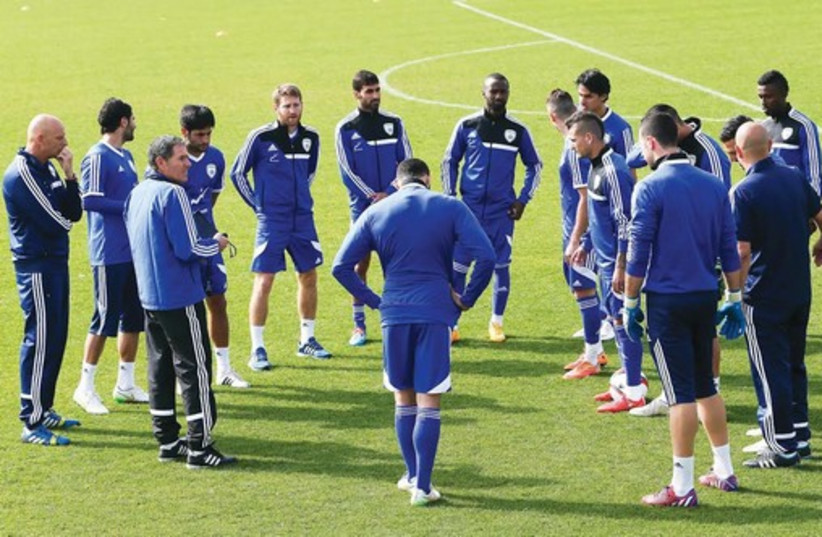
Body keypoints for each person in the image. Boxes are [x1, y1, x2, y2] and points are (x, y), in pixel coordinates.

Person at [331, 158, 495, 506]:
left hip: (394, 314)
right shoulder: (450, 206)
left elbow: (341, 267)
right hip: (435, 311)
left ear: (397, 181)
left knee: (403, 398)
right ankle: (423, 485)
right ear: (428, 178)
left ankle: (410, 475)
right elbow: (487, 257)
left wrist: (376, 301)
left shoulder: (376, 212)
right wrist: (466, 300)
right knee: (429, 399)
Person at [624, 111, 744, 507]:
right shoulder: (713, 185)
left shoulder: (650, 188)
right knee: (707, 386)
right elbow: (729, 244)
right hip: (704, 296)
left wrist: (628, 301)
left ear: (652, 144)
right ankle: (724, 470)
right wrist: (734, 298)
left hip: (667, 302)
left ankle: (682, 486)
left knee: (680, 396)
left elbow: (638, 251)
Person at [124, 135, 236, 469]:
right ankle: (200, 447)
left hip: (150, 296)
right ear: (161, 163)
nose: (188, 164)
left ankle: (168, 441)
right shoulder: (174, 194)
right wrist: (216, 243)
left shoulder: (137, 193)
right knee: (195, 368)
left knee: (159, 368)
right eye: (181, 159)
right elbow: (188, 248)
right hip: (179, 296)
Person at [624, 104, 732, 418]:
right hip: (684, 256)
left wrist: (631, 301)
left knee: (705, 334)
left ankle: (708, 387)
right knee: (692, 334)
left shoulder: (707, 153)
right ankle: (686, 394)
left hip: (700, 253)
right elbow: (634, 157)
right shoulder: (667, 153)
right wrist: (650, 144)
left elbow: (720, 204)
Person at [731, 122, 820, 467]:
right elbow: (819, 214)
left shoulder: (744, 192)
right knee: (795, 363)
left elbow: (741, 251)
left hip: (763, 293)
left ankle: (781, 446)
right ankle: (800, 434)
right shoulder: (794, 176)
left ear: (739, 153)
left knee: (770, 370)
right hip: (799, 289)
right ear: (770, 145)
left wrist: (732, 293)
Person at [231, 83, 331, 369]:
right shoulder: (260, 138)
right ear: (276, 108)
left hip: (302, 219)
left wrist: (299, 199)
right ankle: (257, 348)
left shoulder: (311, 137)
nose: (293, 111)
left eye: (297, 105)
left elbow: (309, 173)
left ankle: (307, 340)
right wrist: (258, 205)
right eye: (287, 106)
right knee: (264, 281)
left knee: (309, 275)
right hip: (272, 220)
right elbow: (237, 173)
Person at [442, 72, 542, 343]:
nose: (498, 97)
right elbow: (450, 160)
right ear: (483, 93)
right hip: (469, 210)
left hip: (501, 211)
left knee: (500, 265)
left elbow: (535, 165)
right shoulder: (467, 126)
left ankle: (496, 322)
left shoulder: (517, 131)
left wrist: (523, 199)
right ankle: (452, 323)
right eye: (493, 92)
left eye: (503, 92)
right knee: (459, 265)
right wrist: (450, 196)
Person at [3, 114, 82, 445]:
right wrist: (64, 209)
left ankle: (44, 406)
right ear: (38, 139)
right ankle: (31, 421)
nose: (64, 143)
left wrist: (68, 175)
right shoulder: (19, 175)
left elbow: (73, 213)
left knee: (56, 336)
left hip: (55, 263)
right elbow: (59, 223)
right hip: (36, 267)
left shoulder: (47, 167)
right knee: (39, 339)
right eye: (59, 138)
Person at [564, 112, 645, 412]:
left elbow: (626, 223)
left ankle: (634, 391)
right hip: (606, 259)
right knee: (615, 319)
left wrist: (622, 267)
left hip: (617, 263)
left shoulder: (613, 170)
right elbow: (602, 217)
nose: (570, 145)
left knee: (623, 322)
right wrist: (585, 243)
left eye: (573, 139)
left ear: (588, 138)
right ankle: (629, 380)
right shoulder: (595, 166)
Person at [72, 98, 148, 415]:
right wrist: (129, 206)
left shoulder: (127, 156)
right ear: (122, 122)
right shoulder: (97, 157)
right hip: (108, 252)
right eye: (132, 119)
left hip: (131, 251)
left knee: (133, 318)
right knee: (104, 319)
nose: (134, 124)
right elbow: (89, 201)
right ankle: (84, 387)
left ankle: (125, 384)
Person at [335, 69, 412, 346]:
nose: (375, 96)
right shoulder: (346, 129)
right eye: (369, 92)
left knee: (395, 265)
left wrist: (390, 192)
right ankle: (359, 325)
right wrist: (372, 195)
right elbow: (346, 171)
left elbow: (407, 164)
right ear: (356, 94)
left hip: (394, 207)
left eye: (377, 90)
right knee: (360, 264)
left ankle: (399, 320)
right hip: (363, 210)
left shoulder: (395, 123)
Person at [180, 104, 249, 389]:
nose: (205, 140)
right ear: (184, 132)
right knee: (184, 308)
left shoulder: (216, 158)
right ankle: (185, 373)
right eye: (199, 135)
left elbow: (212, 197)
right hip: (182, 244)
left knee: (218, 299)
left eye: (208, 134)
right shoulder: (171, 159)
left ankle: (223, 368)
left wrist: (206, 228)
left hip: (209, 237)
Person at [546, 90, 609, 374]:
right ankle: (594, 350)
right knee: (581, 290)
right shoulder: (574, 143)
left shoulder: (573, 150)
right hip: (579, 230)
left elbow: (585, 197)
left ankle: (593, 358)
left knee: (585, 289)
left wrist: (577, 240)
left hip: (583, 233)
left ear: (551, 117)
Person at [757, 69, 822, 194]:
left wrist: (812, 207)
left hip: (796, 203)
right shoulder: (763, 128)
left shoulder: (803, 126)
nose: (763, 103)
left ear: (784, 94)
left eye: (768, 97)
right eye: (760, 97)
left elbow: (814, 173)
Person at [575, 68, 633, 159]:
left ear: (603, 97)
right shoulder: (573, 121)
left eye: (588, 96)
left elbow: (628, 168)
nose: (582, 102)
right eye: (580, 95)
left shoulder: (621, 129)